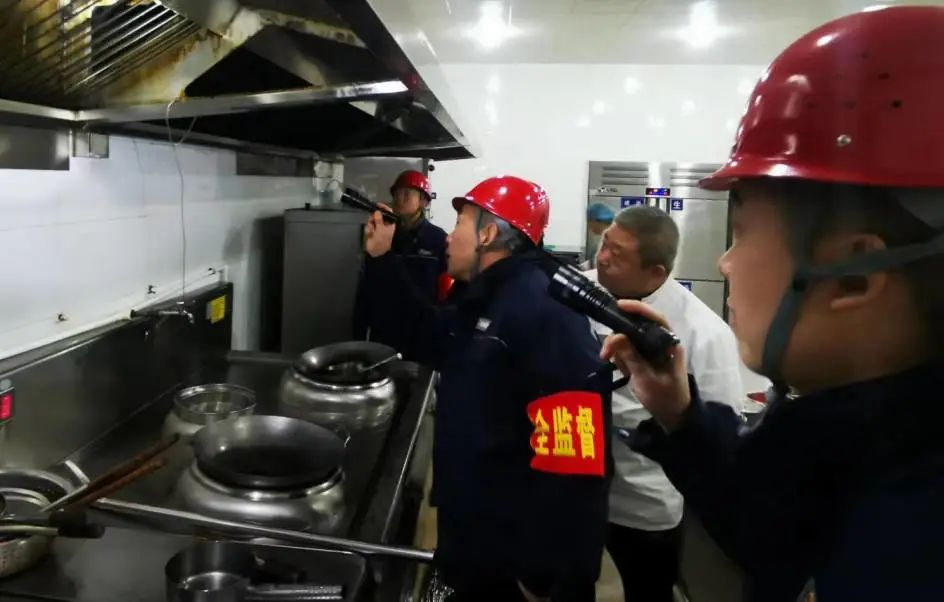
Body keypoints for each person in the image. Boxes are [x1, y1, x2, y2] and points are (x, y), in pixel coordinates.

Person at [601, 7, 944, 601]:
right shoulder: (859, 448)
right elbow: (769, 524)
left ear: (855, 276)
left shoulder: (908, 549)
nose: (725, 263)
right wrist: (681, 417)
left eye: (743, 232)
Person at [360, 175, 612, 601]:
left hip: (517, 566)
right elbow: (428, 335)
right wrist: (382, 261)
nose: (449, 237)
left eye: (460, 223)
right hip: (482, 542)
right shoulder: (486, 297)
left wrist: (541, 577)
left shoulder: (544, 312)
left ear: (487, 234)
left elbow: (575, 456)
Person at [589, 205, 743, 602]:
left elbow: (720, 435)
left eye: (617, 254)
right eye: (605, 243)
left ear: (655, 272)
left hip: (645, 507)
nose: (602, 258)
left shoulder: (704, 333)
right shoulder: (582, 293)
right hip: (577, 493)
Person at [353, 170, 450, 358]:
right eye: (397, 193)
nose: (400, 199)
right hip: (384, 333)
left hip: (421, 334)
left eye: (407, 194)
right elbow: (366, 285)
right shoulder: (383, 235)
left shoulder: (438, 240)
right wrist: (359, 333)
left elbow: (444, 296)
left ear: (423, 201)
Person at [584, 203, 615, 269]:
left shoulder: (610, 237)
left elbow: (602, 263)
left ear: (596, 221)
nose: (588, 226)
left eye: (589, 221)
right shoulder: (606, 235)